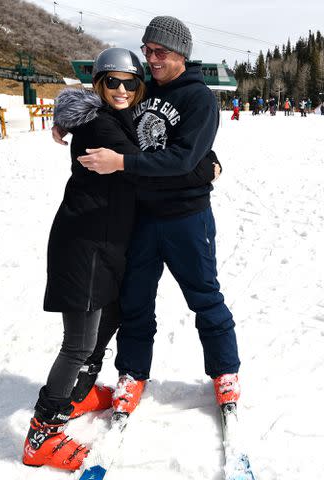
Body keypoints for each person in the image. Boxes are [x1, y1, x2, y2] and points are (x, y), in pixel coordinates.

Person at [24, 47, 220, 471]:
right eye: (111, 81)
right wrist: (205, 168)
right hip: (86, 243)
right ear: (99, 84)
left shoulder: (121, 119)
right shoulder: (103, 129)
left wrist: (200, 156)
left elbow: (160, 148)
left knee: (110, 318)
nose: (121, 89)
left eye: (130, 82)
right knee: (77, 343)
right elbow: (152, 161)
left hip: (111, 243)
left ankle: (78, 394)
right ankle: (41, 432)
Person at [65, 16, 241, 416]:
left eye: (159, 52)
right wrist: (64, 115)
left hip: (186, 218)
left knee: (204, 296)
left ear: (181, 54)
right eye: (147, 51)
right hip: (141, 217)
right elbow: (101, 105)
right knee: (136, 301)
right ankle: (132, 373)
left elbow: (183, 159)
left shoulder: (199, 99)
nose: (152, 59)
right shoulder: (142, 91)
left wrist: (125, 164)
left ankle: (225, 371)